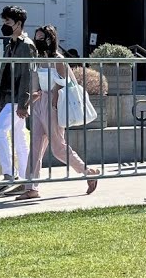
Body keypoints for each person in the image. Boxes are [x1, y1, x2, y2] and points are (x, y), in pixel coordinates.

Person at [20, 25, 99, 198]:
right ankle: (31, 187)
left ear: (50, 39)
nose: (38, 41)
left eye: (41, 38)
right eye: (36, 37)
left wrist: (54, 100)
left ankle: (88, 171)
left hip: (53, 104)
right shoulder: (38, 58)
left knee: (58, 147)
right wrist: (29, 101)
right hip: (39, 102)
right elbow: (35, 80)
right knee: (35, 146)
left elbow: (63, 82)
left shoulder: (58, 59)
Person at [0, 6, 35, 186]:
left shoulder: (26, 45)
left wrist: (24, 103)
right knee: (19, 138)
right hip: (11, 98)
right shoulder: (12, 44)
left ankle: (11, 174)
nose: (4, 25)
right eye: (4, 22)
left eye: (8, 22)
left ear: (18, 23)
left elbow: (27, 74)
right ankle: (27, 180)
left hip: (17, 99)